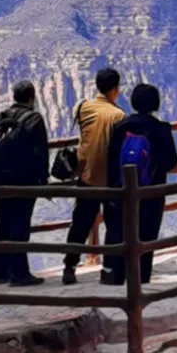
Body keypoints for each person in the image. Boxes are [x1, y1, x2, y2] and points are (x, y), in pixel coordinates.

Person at [102, 83, 177, 287]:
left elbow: (111, 161)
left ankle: (118, 276)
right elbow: (171, 161)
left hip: (123, 191)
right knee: (147, 235)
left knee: (122, 232)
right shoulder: (161, 129)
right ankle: (141, 280)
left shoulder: (121, 127)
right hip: (151, 192)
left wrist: (112, 191)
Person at [0, 80, 48, 287]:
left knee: (2, 224)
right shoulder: (34, 119)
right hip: (24, 181)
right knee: (20, 225)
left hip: (1, 181)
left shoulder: (0, 117)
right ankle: (19, 274)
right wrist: (43, 181)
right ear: (32, 98)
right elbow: (40, 153)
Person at [62, 67, 124, 285]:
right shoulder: (118, 116)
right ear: (115, 89)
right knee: (114, 225)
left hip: (86, 177)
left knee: (80, 224)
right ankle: (109, 270)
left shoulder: (82, 107)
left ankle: (69, 267)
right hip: (110, 181)